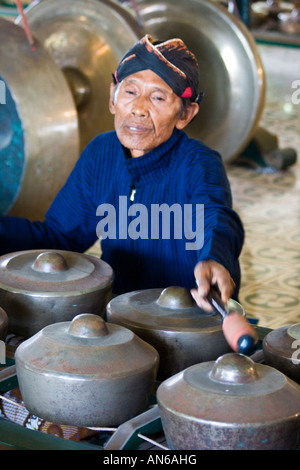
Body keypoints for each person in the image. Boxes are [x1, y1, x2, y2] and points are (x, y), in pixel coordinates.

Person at [0, 34, 244, 310]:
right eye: (130, 92)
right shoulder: (101, 153)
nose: (139, 109)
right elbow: (61, 237)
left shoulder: (198, 163)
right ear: (113, 99)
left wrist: (214, 259)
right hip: (121, 316)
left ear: (185, 115)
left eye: (158, 97)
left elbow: (217, 219)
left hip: (191, 321)